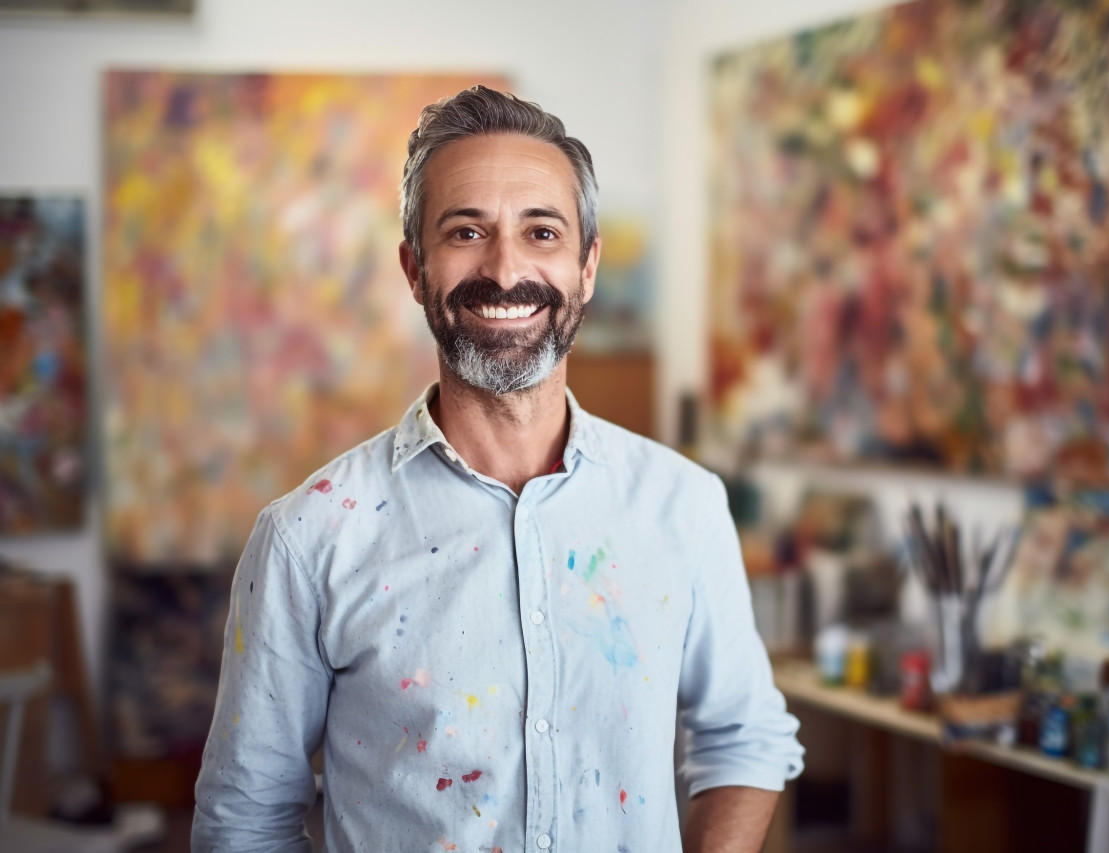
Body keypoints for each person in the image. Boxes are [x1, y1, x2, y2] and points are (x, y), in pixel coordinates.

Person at [192, 85, 803, 853]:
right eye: (466, 230)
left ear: (587, 267)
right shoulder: (307, 536)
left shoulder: (683, 505)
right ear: (415, 270)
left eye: (541, 231)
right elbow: (245, 820)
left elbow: (744, 736)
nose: (506, 267)